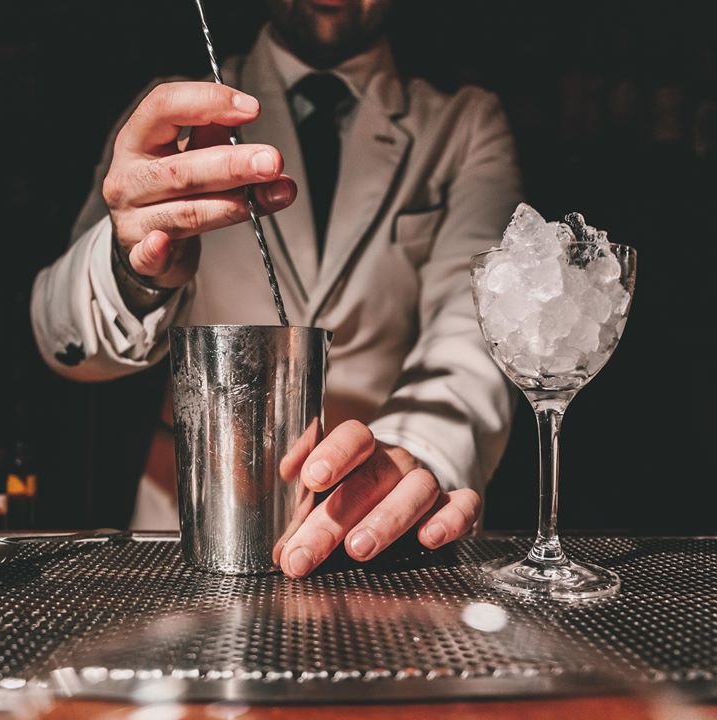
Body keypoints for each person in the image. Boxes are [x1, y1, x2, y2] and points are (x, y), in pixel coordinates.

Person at [31, 0, 522, 577]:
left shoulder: (463, 124)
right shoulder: (173, 113)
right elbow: (59, 338)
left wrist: (417, 455)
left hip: (379, 534)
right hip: (195, 530)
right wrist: (131, 266)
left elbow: (476, 329)